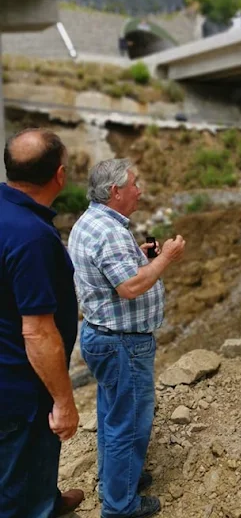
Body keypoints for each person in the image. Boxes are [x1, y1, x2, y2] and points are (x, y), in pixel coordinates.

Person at [68, 159, 185, 518]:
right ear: (115, 191)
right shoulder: (110, 231)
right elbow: (130, 287)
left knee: (113, 415)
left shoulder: (90, 222)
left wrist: (142, 258)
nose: (140, 190)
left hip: (104, 336)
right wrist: (165, 258)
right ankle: (120, 506)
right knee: (128, 423)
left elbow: (114, 273)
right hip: (122, 344)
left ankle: (115, 482)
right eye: (134, 184)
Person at [0, 129, 83, 518]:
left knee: (32, 460)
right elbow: (38, 332)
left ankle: (46, 499)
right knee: (16, 476)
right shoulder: (32, 237)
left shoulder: (10, 216)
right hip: (21, 386)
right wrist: (64, 401)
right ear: (59, 175)